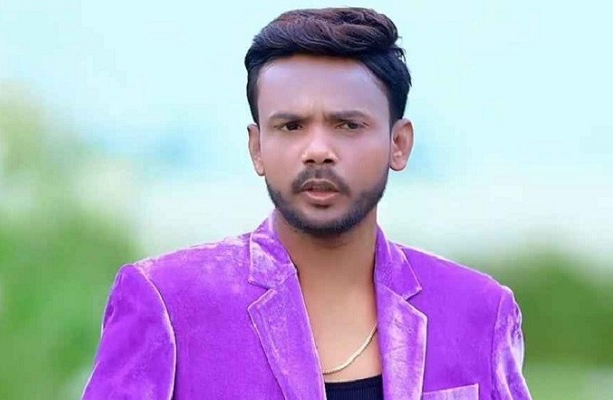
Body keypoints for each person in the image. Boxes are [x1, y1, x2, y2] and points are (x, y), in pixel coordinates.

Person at [82, 7, 531, 400]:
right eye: (291, 126)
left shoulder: (478, 312)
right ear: (257, 147)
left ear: (399, 144)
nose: (318, 150)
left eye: (348, 125)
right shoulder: (169, 301)